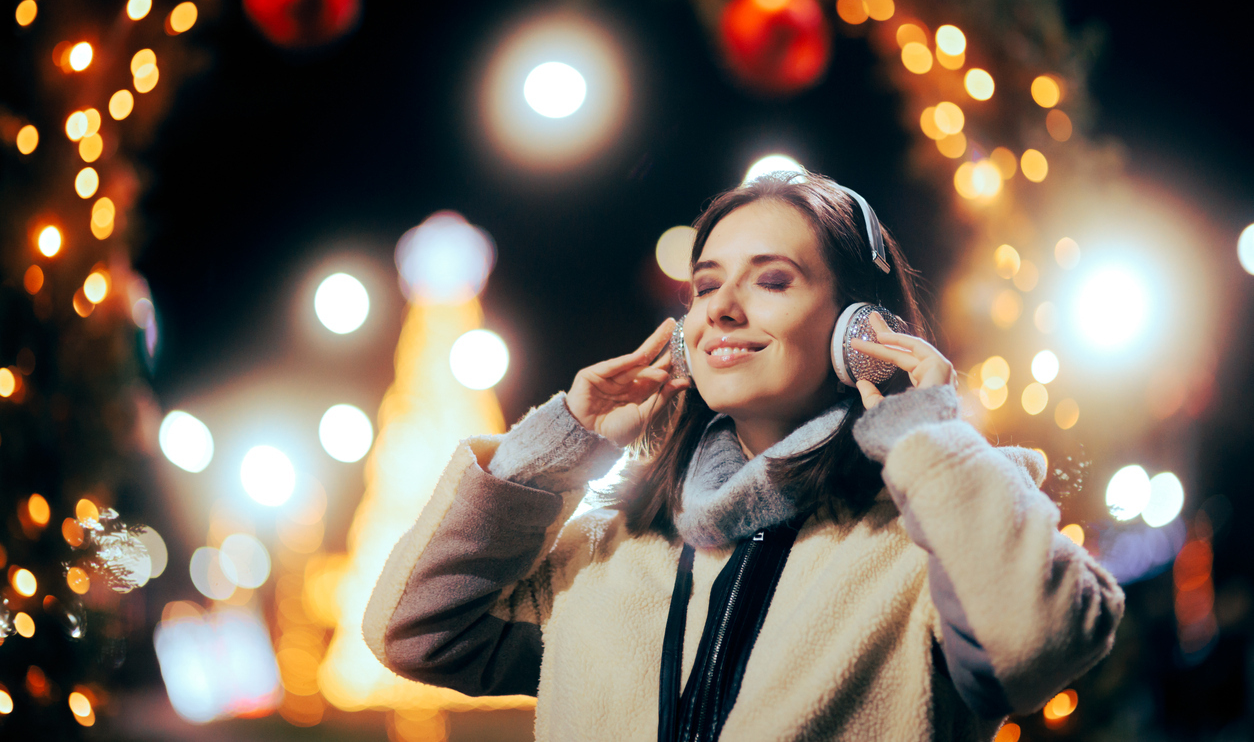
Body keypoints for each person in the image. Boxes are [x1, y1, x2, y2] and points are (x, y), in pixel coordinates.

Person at [363, 170, 1124, 741]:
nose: (722, 307)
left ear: (859, 329)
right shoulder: (606, 554)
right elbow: (413, 631)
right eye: (705, 285)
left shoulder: (928, 548)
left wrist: (925, 433)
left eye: (773, 280)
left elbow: (1038, 641)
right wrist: (565, 439)